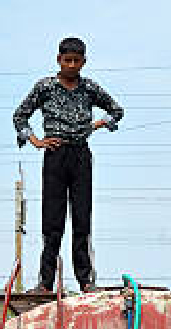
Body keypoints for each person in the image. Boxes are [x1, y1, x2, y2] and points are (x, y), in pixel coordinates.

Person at [12, 36, 124, 295]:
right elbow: (20, 115)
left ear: (84, 62)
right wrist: (35, 140)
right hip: (55, 155)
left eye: (77, 61)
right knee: (53, 221)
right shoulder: (45, 87)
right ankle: (45, 283)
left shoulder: (90, 88)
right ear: (58, 60)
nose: (72, 65)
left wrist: (98, 123)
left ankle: (86, 281)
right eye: (67, 60)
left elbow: (116, 110)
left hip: (81, 156)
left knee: (82, 220)